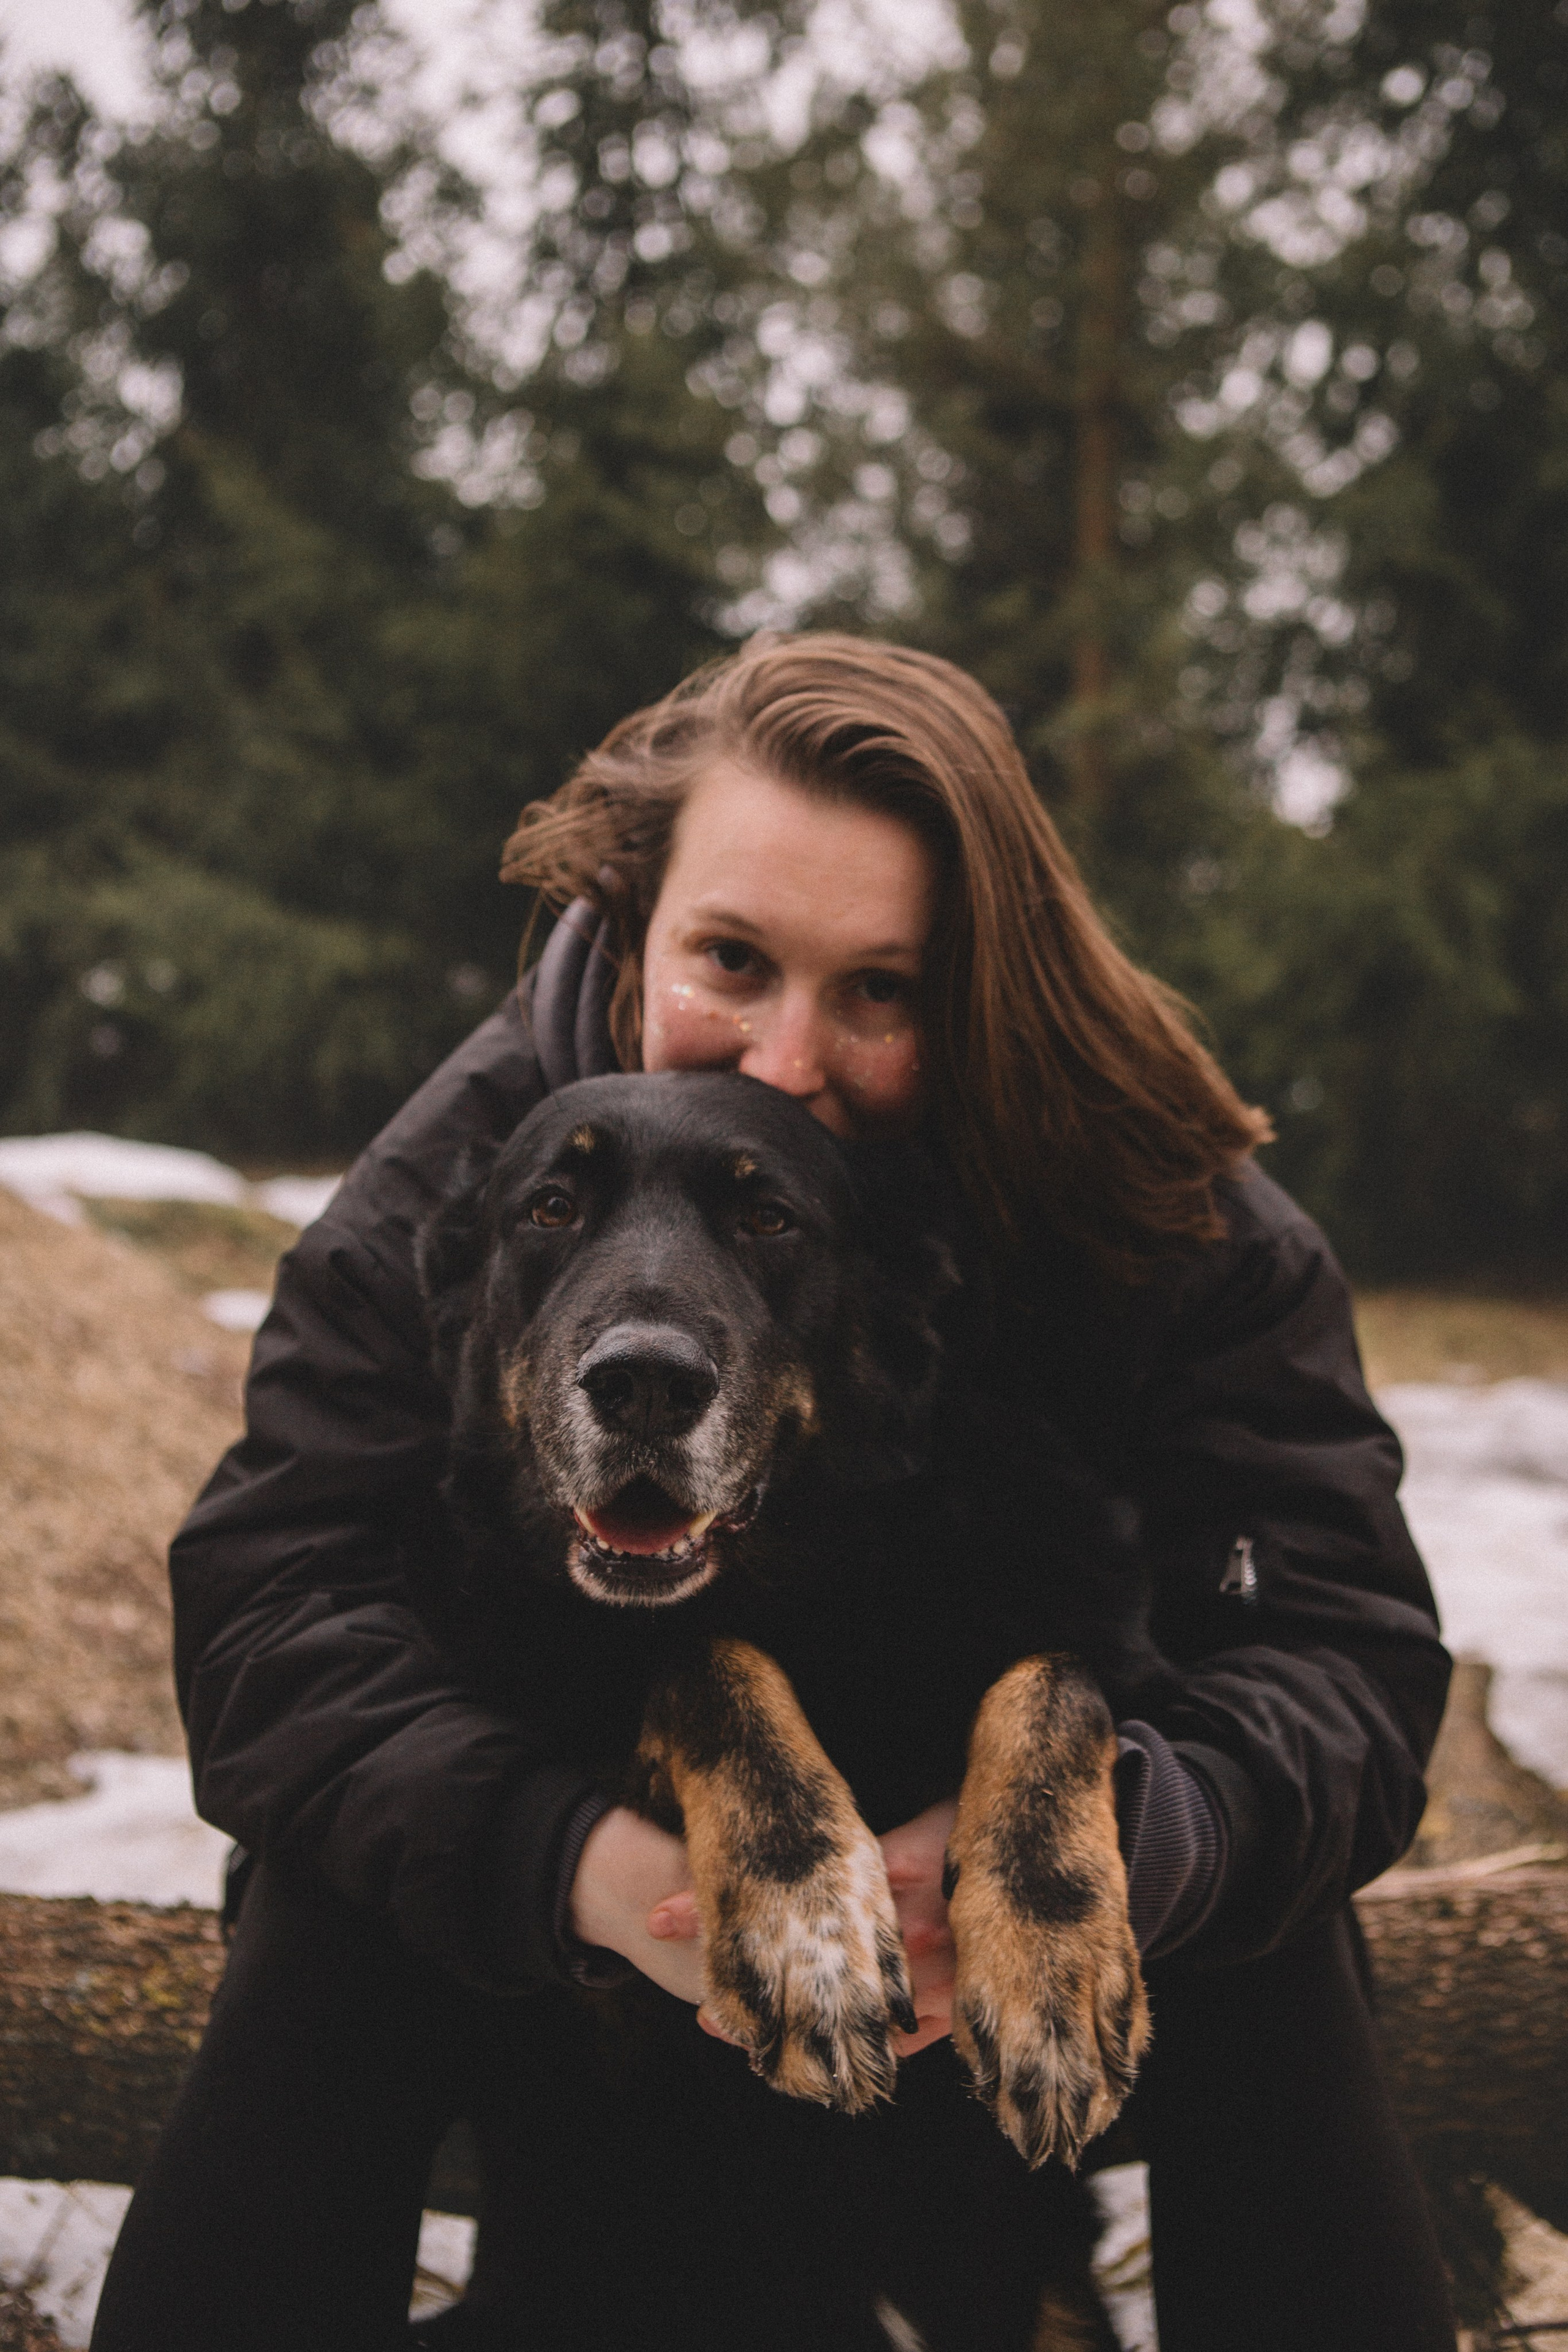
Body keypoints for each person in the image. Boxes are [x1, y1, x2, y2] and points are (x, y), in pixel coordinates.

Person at [91, 634, 1458, 2352]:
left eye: (880, 990)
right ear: (637, 913)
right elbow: (272, 1611)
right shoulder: (471, 1176)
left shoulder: (1155, 1195)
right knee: (334, 1863)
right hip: (586, 1930)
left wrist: (1119, 1826)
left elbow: (1344, 1655)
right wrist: (583, 1866)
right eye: (731, 959)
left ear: (977, 990)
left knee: (1277, 1903)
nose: (784, 1060)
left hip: (1020, 1956)